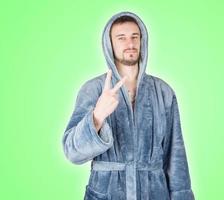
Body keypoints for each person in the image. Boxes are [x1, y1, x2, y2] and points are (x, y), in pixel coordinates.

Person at [62, 11, 195, 200]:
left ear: (143, 40)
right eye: (121, 38)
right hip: (106, 194)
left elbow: (176, 155)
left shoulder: (163, 92)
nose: (130, 43)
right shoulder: (93, 89)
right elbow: (72, 152)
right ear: (110, 44)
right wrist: (97, 116)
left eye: (135, 36)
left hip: (155, 193)